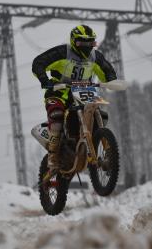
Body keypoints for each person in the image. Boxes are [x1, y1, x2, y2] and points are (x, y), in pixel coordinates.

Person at [32, 24, 117, 172]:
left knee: (101, 115)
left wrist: (112, 81)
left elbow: (107, 70)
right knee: (56, 114)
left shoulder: (95, 57)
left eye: (90, 42)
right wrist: (44, 80)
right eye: (82, 42)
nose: (86, 46)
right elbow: (39, 62)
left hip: (84, 93)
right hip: (60, 92)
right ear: (74, 41)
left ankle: (95, 145)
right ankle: (53, 155)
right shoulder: (62, 52)